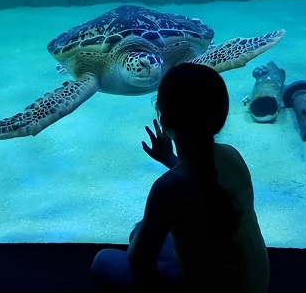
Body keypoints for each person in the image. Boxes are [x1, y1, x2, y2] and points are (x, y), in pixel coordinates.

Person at [90, 63, 270, 293]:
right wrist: (169, 158)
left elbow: (139, 261)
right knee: (142, 234)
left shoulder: (168, 189)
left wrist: (151, 223)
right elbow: (204, 182)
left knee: (103, 261)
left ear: (163, 120)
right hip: (254, 283)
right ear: (221, 118)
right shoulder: (231, 155)